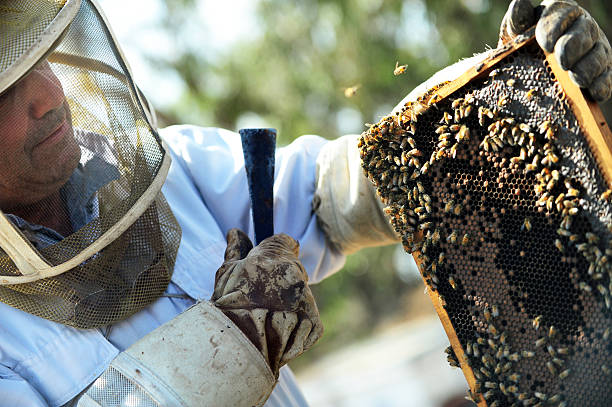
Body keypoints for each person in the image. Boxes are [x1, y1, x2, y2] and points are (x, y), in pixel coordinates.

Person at [0, 0, 609, 406]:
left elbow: (332, 194)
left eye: (41, 62)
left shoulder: (170, 172)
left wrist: (510, 105)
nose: (47, 97)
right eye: (6, 92)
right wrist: (234, 337)